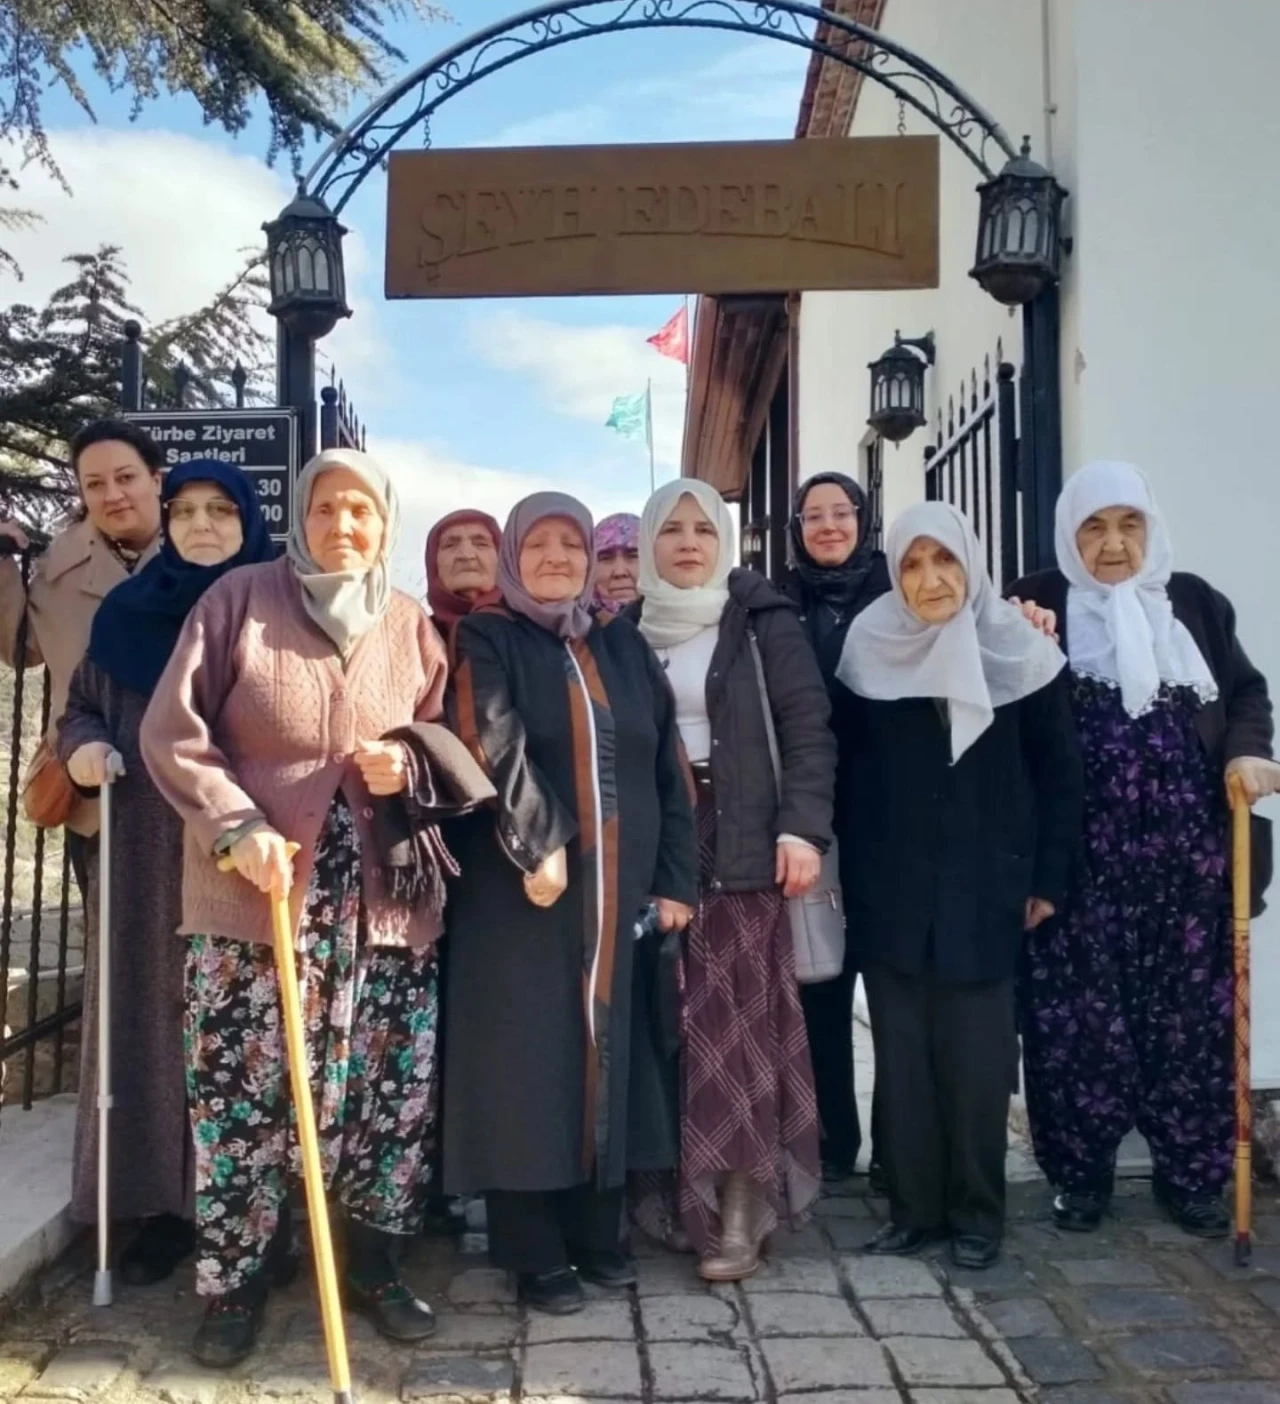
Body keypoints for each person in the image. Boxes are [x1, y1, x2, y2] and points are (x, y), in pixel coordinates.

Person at [141, 448, 448, 1366]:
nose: (342, 525)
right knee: (243, 1097)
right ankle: (236, 1283)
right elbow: (173, 733)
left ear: (385, 524)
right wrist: (236, 826)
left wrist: (411, 766)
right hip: (260, 892)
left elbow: (443, 741)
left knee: (384, 1093)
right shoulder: (235, 602)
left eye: (361, 511)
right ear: (302, 517)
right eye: (325, 508)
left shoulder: (413, 625)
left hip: (382, 906)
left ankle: (372, 1268)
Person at [1010, 461, 1279, 1239]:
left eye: (1129, 525)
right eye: (1094, 527)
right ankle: (1081, 1177)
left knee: (1190, 1025)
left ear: (1150, 530)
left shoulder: (1194, 602)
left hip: (1189, 865)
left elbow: (1245, 692)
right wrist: (1014, 636)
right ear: (1069, 535)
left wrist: (1247, 750)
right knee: (1077, 1025)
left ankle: (1191, 1178)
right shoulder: (1038, 600)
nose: (1113, 543)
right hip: (1080, 865)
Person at [443, 492, 696, 1315]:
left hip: (619, 893)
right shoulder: (489, 635)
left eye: (571, 545)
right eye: (539, 545)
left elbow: (666, 764)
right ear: (514, 556)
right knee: (528, 1061)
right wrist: (539, 840)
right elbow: (490, 738)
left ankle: (596, 1231)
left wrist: (675, 880)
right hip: (523, 891)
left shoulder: (620, 642)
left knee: (607, 1052)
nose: (556, 558)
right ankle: (534, 1250)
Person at [837, 501, 1081, 1270]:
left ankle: (978, 1215)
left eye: (944, 559)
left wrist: (1047, 879)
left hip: (988, 890)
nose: (931, 578)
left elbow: (1060, 776)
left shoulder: (1021, 650)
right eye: (913, 564)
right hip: (893, 895)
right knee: (903, 1065)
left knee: (977, 1069)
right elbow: (845, 779)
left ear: (971, 564)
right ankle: (914, 1212)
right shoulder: (869, 647)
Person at [57, 458, 275, 1287]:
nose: (203, 526)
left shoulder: (276, 606)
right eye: (185, 512)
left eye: (222, 510)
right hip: (148, 847)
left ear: (249, 519)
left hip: (251, 848)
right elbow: (81, 705)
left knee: (245, 1033)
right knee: (151, 1017)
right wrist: (84, 747)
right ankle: (161, 1204)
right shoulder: (128, 613)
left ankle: (254, 1208)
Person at [634, 479, 831, 1283]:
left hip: (745, 841)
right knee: (671, 1023)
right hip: (660, 845)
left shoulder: (760, 621)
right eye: (672, 529)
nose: (688, 542)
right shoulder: (627, 628)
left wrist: (802, 829)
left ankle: (741, 1213)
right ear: (649, 544)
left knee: (738, 1030)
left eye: (704, 529)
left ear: (725, 541)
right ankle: (679, 1202)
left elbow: (808, 728)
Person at [780, 472, 890, 1186]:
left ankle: (900, 1151)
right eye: (813, 516)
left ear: (862, 519)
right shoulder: (776, 602)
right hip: (810, 817)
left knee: (890, 985)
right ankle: (831, 1140)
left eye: (840, 513)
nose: (828, 526)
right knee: (819, 981)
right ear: (797, 529)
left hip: (888, 817)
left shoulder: (898, 592)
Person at [0, 420, 164, 874]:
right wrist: (2, 565)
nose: (113, 495)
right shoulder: (62, 563)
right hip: (96, 793)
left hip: (189, 794)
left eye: (126, 477)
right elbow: (21, 649)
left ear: (155, 479)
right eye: (94, 483)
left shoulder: (200, 551)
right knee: (105, 919)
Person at [426, 510, 502, 633]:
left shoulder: (531, 629)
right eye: (450, 545)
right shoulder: (414, 634)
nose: (466, 555)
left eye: (481, 544)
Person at [593, 512, 641, 613]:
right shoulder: (568, 622)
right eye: (605, 558)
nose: (619, 572)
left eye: (633, 556)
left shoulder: (675, 619)